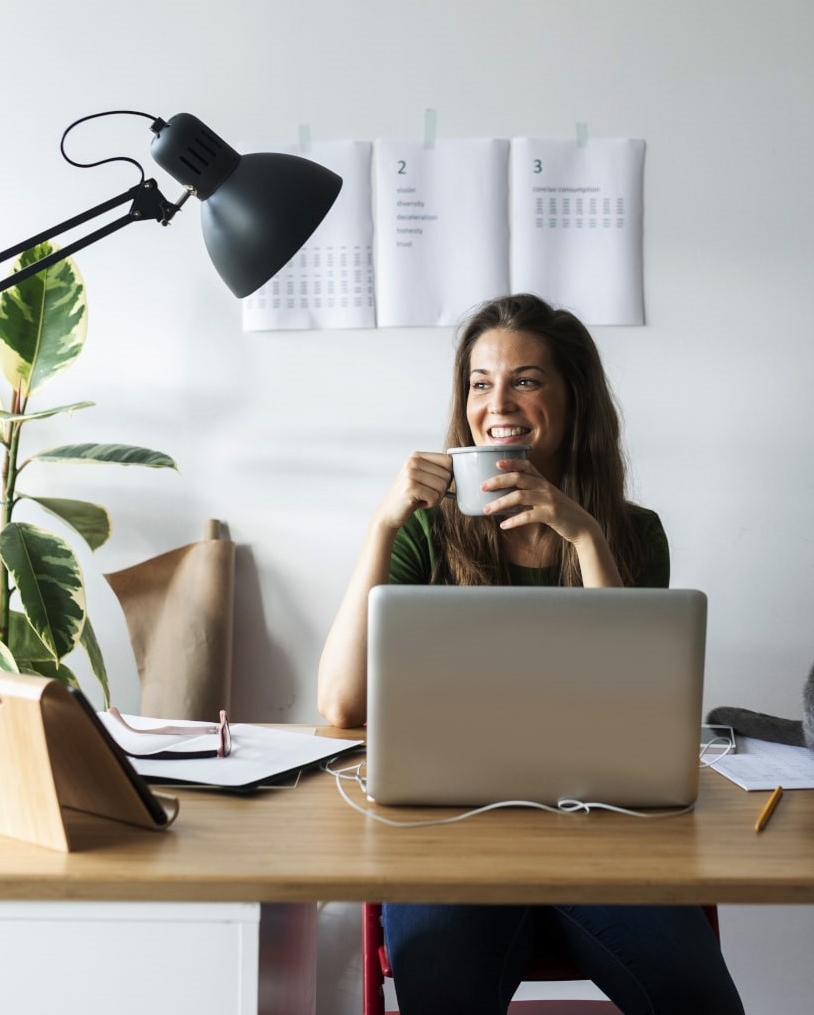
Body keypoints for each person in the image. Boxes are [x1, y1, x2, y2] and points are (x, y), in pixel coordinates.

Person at [317, 294, 745, 1015]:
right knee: (444, 988)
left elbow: (633, 708)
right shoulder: (427, 531)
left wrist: (585, 537)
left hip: (599, 840)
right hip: (452, 842)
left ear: (572, 396)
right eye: (481, 382)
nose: (498, 402)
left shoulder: (632, 534)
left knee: (699, 1001)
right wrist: (383, 524)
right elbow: (340, 704)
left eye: (526, 378)